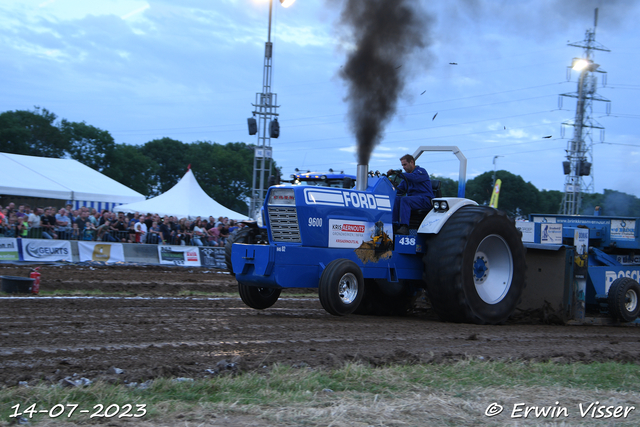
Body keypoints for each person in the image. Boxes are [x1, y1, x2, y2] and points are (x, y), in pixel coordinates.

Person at [387, 154, 434, 235]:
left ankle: (404, 227)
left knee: (405, 199)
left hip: (425, 200)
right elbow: (399, 191)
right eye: (402, 165)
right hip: (414, 200)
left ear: (412, 162)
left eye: (405, 164)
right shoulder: (406, 179)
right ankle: (394, 225)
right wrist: (391, 185)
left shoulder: (421, 172)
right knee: (397, 198)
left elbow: (414, 177)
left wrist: (396, 173)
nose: (403, 167)